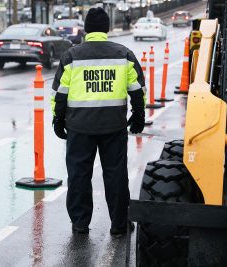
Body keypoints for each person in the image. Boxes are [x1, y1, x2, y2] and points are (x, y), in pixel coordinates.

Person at [51, 7, 146, 235]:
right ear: (107, 29)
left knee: (79, 175)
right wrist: (139, 116)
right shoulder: (124, 54)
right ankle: (119, 224)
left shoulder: (71, 56)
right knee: (115, 174)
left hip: (79, 128)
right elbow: (137, 90)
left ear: (86, 29)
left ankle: (80, 223)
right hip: (113, 126)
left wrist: (58, 119)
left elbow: (59, 94)